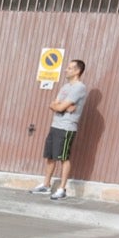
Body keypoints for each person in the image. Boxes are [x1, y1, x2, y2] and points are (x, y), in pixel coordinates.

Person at [32, 59, 87, 200]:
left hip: (67, 127)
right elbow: (53, 104)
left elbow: (60, 107)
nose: (66, 70)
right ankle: (46, 185)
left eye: (69, 68)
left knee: (63, 157)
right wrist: (61, 106)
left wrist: (61, 106)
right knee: (50, 156)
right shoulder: (65, 87)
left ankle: (62, 189)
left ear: (77, 71)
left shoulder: (79, 88)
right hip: (55, 125)